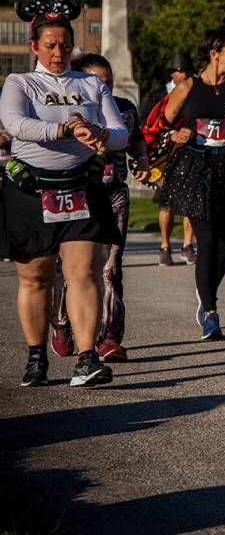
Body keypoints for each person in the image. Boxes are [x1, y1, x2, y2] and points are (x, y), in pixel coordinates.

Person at [0, 0, 125, 387]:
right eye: (50, 45)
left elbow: (120, 133)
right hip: (30, 190)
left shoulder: (89, 84)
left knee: (83, 272)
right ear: (34, 46)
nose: (58, 53)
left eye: (65, 45)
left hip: (80, 186)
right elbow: (16, 123)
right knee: (36, 277)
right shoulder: (20, 83)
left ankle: (87, 358)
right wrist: (65, 129)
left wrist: (101, 133)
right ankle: (37, 357)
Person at [156, 23, 225, 341]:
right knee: (206, 242)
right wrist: (177, 133)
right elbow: (161, 126)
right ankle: (212, 313)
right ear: (215, 54)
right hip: (196, 172)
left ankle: (206, 296)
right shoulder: (188, 86)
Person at [49, 54, 149, 363]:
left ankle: (109, 338)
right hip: (74, 194)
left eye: (109, 82)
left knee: (110, 270)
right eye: (98, 82)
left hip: (113, 195)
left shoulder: (125, 109)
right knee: (69, 269)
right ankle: (62, 326)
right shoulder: (64, 110)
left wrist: (141, 160)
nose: (105, 87)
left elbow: (136, 140)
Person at [144, 53, 197, 267]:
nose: (182, 75)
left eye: (185, 71)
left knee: (191, 202)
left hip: (190, 152)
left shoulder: (195, 94)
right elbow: (146, 126)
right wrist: (169, 136)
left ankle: (187, 246)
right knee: (166, 203)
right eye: (178, 71)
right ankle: (165, 246)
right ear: (172, 73)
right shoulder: (157, 96)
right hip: (165, 157)